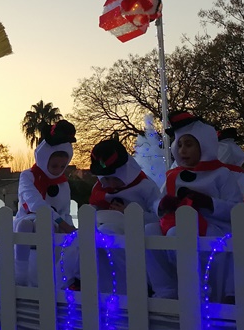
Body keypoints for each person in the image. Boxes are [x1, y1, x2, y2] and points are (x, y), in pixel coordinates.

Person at [144, 112, 244, 300]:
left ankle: (194, 288)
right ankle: (166, 288)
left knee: (176, 234)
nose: (183, 150)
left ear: (204, 145)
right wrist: (164, 205)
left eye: (189, 145)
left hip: (213, 229)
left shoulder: (221, 173)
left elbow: (236, 209)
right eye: (180, 145)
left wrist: (208, 203)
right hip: (178, 225)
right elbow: (158, 202)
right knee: (149, 231)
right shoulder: (174, 175)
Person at [13, 120, 78, 288]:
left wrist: (69, 230)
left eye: (62, 166)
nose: (58, 170)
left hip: (52, 229)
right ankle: (20, 273)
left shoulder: (63, 183)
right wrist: (61, 223)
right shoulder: (28, 176)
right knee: (25, 225)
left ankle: (46, 273)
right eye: (54, 165)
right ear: (44, 158)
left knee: (46, 224)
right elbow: (35, 203)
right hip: (29, 218)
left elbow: (65, 210)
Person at [88, 136, 161, 228]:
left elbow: (158, 217)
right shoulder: (99, 188)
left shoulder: (145, 185)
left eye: (116, 179)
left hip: (142, 235)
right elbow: (93, 210)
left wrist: (129, 213)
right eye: (106, 179)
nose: (112, 184)